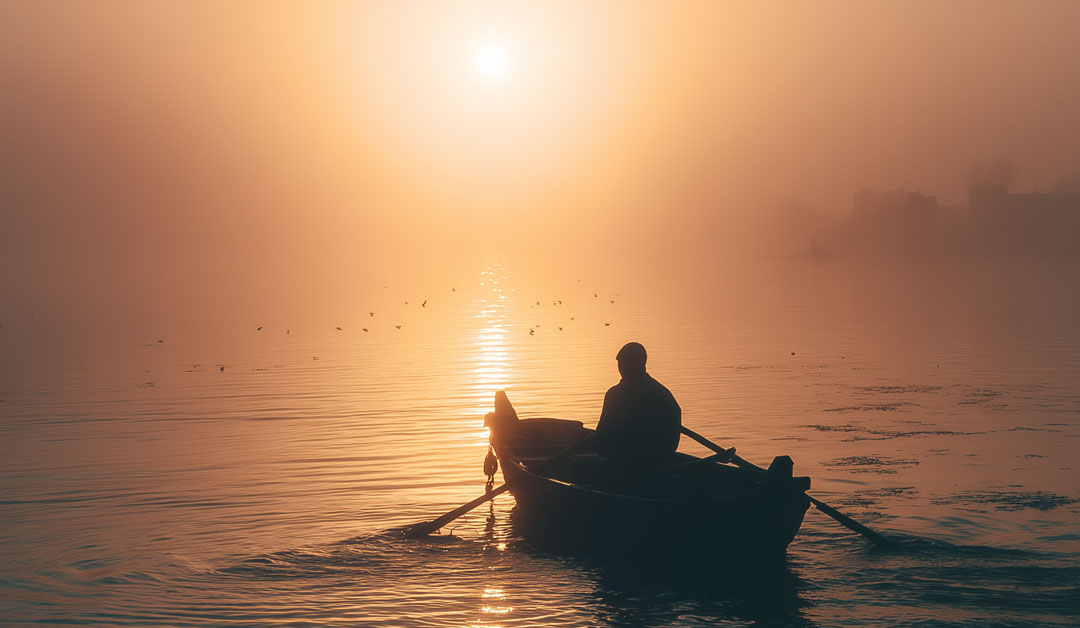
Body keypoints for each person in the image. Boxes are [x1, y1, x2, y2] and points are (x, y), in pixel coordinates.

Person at [594, 342, 681, 466]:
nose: (620, 368)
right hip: (659, 460)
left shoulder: (615, 394)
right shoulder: (663, 392)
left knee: (575, 463)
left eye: (622, 363)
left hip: (625, 462)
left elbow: (602, 434)